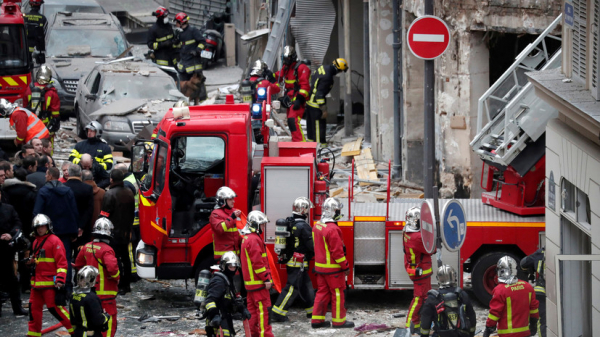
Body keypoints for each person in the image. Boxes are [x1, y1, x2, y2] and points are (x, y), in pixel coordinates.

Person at [33, 167, 80, 292]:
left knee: (48, 259)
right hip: (65, 231)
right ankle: (67, 288)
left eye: (46, 174)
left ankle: (50, 287)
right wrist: (74, 230)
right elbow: (74, 212)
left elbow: (37, 212)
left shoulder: (43, 191)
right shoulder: (67, 191)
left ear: (49, 176)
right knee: (66, 259)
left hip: (48, 231)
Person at [27, 214, 74, 336]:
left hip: (49, 284)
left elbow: (62, 263)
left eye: (42, 226)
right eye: (37, 227)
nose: (39, 229)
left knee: (56, 309)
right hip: (36, 285)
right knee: (33, 310)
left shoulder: (55, 241)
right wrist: (30, 261)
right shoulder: (36, 242)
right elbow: (38, 261)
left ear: (48, 226)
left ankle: (75, 330)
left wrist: (60, 279)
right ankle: (33, 333)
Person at [311, 197, 354, 329]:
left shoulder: (317, 225)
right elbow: (337, 253)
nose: (339, 213)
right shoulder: (332, 229)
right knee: (337, 294)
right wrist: (346, 266)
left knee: (322, 293)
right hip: (333, 270)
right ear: (332, 211)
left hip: (320, 268)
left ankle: (316, 321)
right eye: (337, 211)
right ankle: (338, 322)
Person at [271, 196, 315, 322]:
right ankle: (277, 312)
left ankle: (312, 311)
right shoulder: (304, 226)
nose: (308, 212)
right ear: (303, 210)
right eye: (307, 209)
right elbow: (311, 246)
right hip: (298, 263)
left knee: (306, 286)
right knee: (291, 288)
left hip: (293, 260)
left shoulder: (290, 222)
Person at [73, 218, 120, 337]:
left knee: (93, 323)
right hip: (106, 295)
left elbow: (78, 264)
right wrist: (117, 278)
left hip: (89, 293)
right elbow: (113, 269)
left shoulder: (87, 246)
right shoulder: (107, 250)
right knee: (108, 323)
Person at [483, 256, 539, 337]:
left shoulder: (500, 290)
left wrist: (489, 327)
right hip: (525, 333)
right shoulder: (527, 287)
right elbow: (533, 309)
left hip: (507, 334)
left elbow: (495, 312)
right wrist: (534, 323)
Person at [100, 169, 135, 295]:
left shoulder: (109, 194)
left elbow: (105, 214)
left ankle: (119, 285)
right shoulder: (129, 192)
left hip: (113, 232)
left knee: (116, 258)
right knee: (126, 257)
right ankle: (127, 284)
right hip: (126, 230)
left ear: (111, 179)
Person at [2, 168, 37, 294]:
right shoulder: (31, 192)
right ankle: (25, 283)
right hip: (26, 227)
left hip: (8, 228)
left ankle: (6, 285)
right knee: (26, 255)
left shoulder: (6, 191)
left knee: (9, 258)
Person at [240, 211, 274, 337]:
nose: (264, 228)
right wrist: (266, 278)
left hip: (250, 285)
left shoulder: (247, 238)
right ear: (255, 225)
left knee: (253, 313)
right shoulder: (254, 239)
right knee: (264, 312)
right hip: (258, 284)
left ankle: (252, 334)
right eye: (262, 225)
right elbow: (258, 263)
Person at [419, 265, 476, 337]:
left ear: (438, 279)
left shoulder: (432, 298)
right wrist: (471, 333)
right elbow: (471, 317)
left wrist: (424, 335)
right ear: (454, 277)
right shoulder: (462, 294)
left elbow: (425, 321)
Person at [403, 206, 434, 335]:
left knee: (425, 298)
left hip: (418, 269)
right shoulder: (416, 237)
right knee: (419, 299)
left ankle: (419, 322)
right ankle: (410, 324)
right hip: (421, 271)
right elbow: (431, 249)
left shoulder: (407, 231)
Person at [202, 252, 248, 337]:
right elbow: (209, 300)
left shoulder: (228, 280)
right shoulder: (219, 281)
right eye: (230, 267)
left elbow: (229, 300)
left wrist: (242, 308)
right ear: (224, 266)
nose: (233, 269)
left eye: (235, 267)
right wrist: (215, 315)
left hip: (226, 318)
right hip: (216, 322)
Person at [305, 58, 348, 147]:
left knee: (310, 128)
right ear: (338, 69)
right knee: (318, 128)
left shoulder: (323, 68)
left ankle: (310, 146)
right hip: (316, 106)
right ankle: (318, 147)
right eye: (341, 71)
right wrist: (324, 109)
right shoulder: (328, 77)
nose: (340, 73)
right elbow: (319, 95)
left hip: (309, 102)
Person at [274, 46, 311, 142]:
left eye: (288, 58)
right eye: (285, 58)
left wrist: (299, 100)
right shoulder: (286, 67)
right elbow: (279, 76)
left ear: (293, 57)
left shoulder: (301, 68)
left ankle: (301, 144)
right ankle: (296, 142)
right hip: (290, 98)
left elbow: (305, 86)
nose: (286, 60)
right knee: (291, 122)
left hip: (298, 98)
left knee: (293, 120)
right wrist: (270, 75)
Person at [0, 189, 27, 316]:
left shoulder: (8, 208)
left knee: (12, 279)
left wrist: (10, 234)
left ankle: (17, 307)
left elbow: (17, 223)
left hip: (7, 248)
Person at [174, 12, 208, 105]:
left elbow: (203, 42)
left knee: (198, 86)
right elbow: (177, 45)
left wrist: (197, 50)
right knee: (182, 86)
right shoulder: (179, 33)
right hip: (183, 64)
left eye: (177, 22)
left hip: (193, 64)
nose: (175, 24)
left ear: (181, 22)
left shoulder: (193, 30)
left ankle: (200, 103)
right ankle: (184, 103)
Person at [70, 266, 111, 337]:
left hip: (78, 333)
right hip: (91, 334)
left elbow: (72, 317)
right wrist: (106, 316)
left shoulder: (73, 295)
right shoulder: (92, 298)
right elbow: (98, 320)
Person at [29, 65, 60, 152]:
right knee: (48, 144)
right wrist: (53, 126)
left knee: (32, 143)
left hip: (31, 124)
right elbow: (55, 113)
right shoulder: (52, 92)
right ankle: (48, 160)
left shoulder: (29, 89)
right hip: (45, 124)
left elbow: (25, 106)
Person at [209, 186, 242, 262]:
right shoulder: (215, 214)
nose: (233, 201)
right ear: (222, 201)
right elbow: (220, 229)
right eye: (230, 199)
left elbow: (240, 230)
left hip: (236, 255)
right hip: (223, 256)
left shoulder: (234, 211)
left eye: (233, 199)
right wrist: (232, 217)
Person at [64, 164, 94, 245]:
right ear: (80, 174)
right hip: (83, 228)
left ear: (68, 174)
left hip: (66, 227)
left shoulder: (63, 187)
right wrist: (81, 226)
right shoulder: (88, 188)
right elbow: (89, 209)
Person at [521, 248, 546, 337]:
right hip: (555, 292)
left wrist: (530, 271)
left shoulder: (540, 253)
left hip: (540, 291)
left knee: (542, 320)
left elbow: (523, 263)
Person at [82, 170, 106, 235]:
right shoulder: (102, 192)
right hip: (98, 226)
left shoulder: (80, 191)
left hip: (83, 227)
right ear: (92, 178)